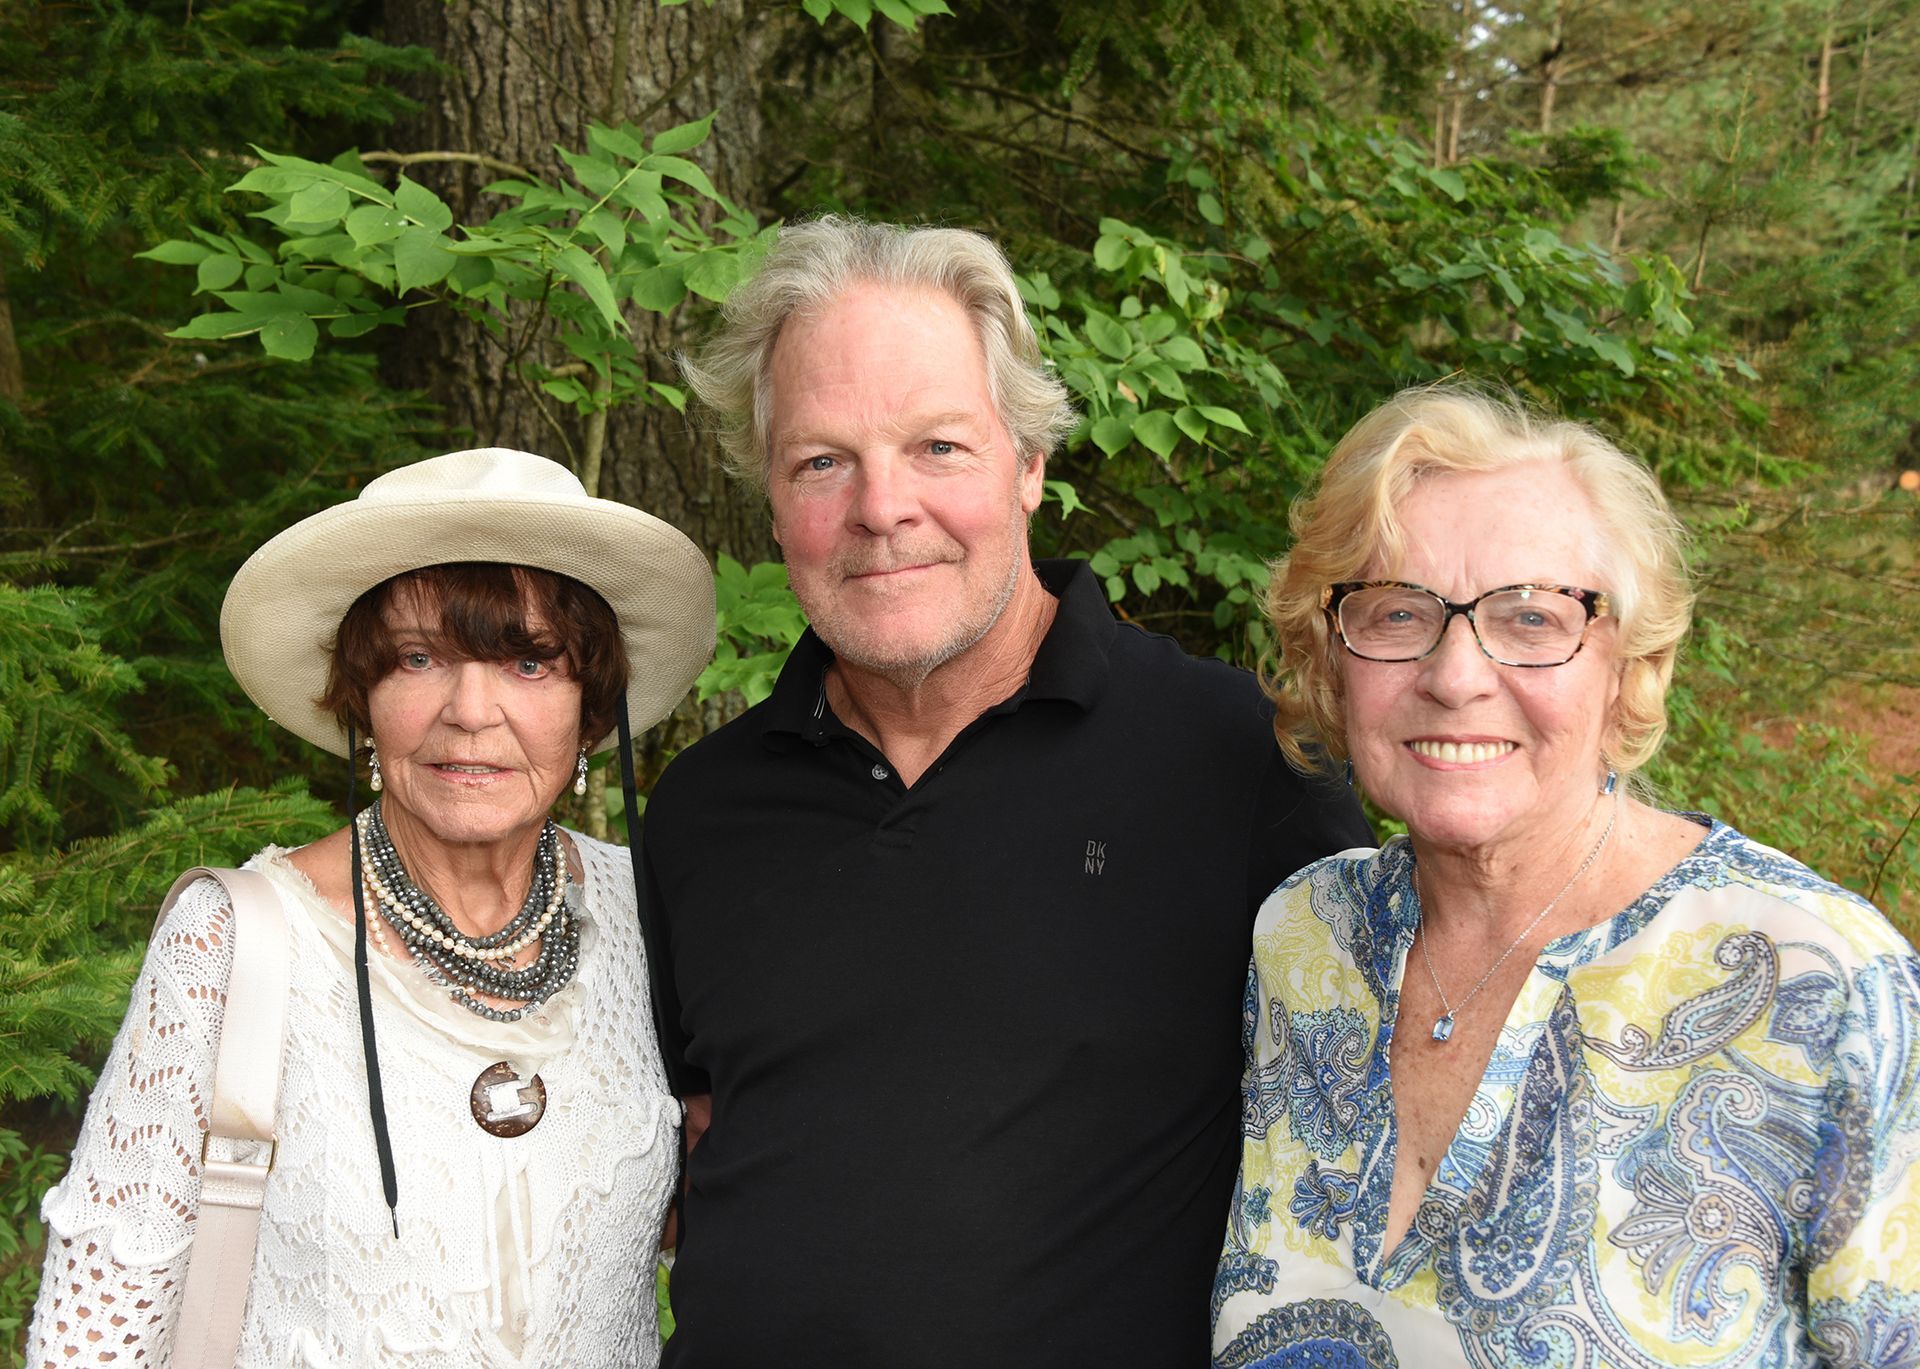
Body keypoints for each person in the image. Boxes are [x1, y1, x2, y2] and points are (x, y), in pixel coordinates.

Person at [645, 215, 1371, 1366]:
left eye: (938, 446)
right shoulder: (700, 811)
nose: (883, 507)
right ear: (772, 500)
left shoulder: (1238, 761)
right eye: (822, 461)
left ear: (1030, 464)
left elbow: (1388, 1120)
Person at [1212, 386, 1920, 1366]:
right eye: (1399, 612)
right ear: (1331, 658)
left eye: (1532, 619)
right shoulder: (1305, 935)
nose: (1456, 676)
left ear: (1628, 663)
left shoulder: (1827, 985)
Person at [26, 448, 716, 1367]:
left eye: (528, 661)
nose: (470, 710)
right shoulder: (236, 942)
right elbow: (91, 1336)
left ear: (592, 708)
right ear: (362, 698)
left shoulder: (653, 913)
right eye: (417, 658)